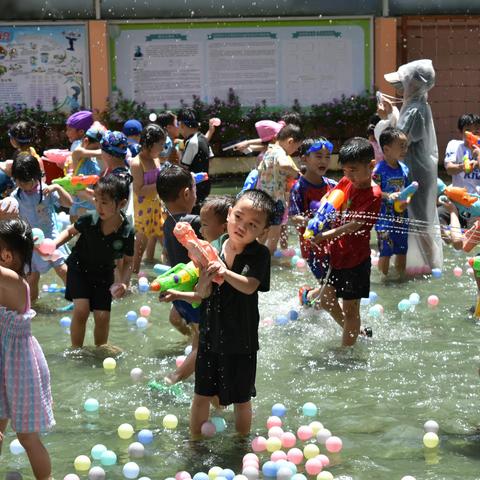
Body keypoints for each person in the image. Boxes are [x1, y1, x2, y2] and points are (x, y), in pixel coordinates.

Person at [190, 189, 274, 436]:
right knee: (201, 394)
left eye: (252, 224)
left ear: (263, 231)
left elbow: (250, 286)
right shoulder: (212, 247)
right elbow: (202, 293)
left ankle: (241, 443)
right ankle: (194, 441)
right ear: (229, 214)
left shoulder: (259, 254)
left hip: (241, 340)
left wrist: (224, 273)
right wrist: (204, 280)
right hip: (209, 336)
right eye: (238, 217)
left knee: (241, 398)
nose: (242, 226)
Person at [0, 218, 55, 480]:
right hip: (5, 363)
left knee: (26, 436)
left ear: (6, 255)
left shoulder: (14, 282)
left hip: (20, 368)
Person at [315, 137, 382, 346]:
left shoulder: (373, 194)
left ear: (371, 165)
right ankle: (355, 331)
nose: (348, 175)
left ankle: (347, 353)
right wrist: (319, 216)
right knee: (325, 300)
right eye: (345, 170)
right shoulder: (347, 181)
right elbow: (331, 197)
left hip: (356, 260)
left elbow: (355, 225)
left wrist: (325, 235)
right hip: (337, 255)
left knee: (351, 308)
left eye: (353, 170)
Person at [54, 175, 134, 348]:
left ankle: (100, 349)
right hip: (79, 268)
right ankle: (76, 350)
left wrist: (124, 283)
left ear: (121, 203)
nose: (98, 206)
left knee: (102, 317)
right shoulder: (90, 219)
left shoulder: (127, 231)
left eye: (104, 202)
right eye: (96, 200)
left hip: (104, 273)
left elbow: (128, 261)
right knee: (81, 310)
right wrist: (53, 245)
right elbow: (69, 232)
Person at [159, 195, 232, 385]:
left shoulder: (222, 258)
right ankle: (216, 402)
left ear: (224, 227)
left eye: (205, 225)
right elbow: (202, 294)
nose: (200, 230)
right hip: (208, 313)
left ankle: (173, 378)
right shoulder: (207, 253)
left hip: (219, 319)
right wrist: (177, 294)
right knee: (200, 347)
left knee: (202, 349)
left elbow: (206, 294)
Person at [384, 59, 443, 272]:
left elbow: (398, 139)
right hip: (419, 170)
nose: (399, 88)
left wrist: (389, 115)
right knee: (414, 219)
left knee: (419, 222)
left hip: (417, 172)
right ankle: (423, 263)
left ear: (415, 84)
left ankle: (433, 266)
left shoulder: (416, 108)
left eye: (403, 83)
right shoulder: (417, 106)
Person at [11, 154, 72, 301]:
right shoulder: (16, 196)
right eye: (18, 181)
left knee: (63, 270)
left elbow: (69, 203)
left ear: (36, 176)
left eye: (25, 182)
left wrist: (57, 187)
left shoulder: (46, 191)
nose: (22, 185)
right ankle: (33, 307)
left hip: (50, 240)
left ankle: (77, 299)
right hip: (30, 243)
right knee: (32, 278)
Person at [289, 138, 337, 304]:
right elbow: (294, 218)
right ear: (304, 158)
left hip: (334, 242)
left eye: (327, 156)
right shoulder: (298, 188)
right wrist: (315, 220)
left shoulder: (333, 186)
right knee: (329, 285)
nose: (324, 160)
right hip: (313, 248)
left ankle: (313, 299)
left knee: (334, 284)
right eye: (318, 156)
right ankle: (308, 296)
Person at [155, 164, 201, 337]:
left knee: (176, 319)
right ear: (187, 193)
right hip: (193, 294)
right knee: (201, 343)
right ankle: (190, 356)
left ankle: (188, 342)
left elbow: (166, 254)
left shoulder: (168, 223)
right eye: (195, 190)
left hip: (179, 294)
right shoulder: (195, 222)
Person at [257, 124, 303, 253]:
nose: (295, 151)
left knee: (262, 233)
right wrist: (298, 174)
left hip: (262, 199)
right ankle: (267, 261)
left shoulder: (269, 151)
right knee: (274, 237)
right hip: (275, 201)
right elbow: (284, 164)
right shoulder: (280, 152)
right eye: (297, 147)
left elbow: (260, 170)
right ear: (290, 141)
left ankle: (250, 257)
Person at [373, 127, 409, 279]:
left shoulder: (404, 169)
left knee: (402, 249)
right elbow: (373, 192)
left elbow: (408, 190)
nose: (404, 149)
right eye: (401, 146)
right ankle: (383, 279)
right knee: (386, 250)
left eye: (405, 146)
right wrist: (388, 195)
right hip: (384, 219)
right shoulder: (378, 170)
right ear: (386, 149)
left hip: (401, 217)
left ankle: (400, 278)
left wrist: (407, 199)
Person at [131, 124, 166, 273]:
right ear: (149, 144)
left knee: (168, 243)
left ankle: (170, 273)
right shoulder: (136, 163)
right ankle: (132, 276)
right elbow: (138, 191)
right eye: (161, 145)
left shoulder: (155, 159)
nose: (163, 148)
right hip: (143, 212)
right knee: (139, 249)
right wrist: (161, 183)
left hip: (157, 208)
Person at [178, 108, 214, 212]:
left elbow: (184, 166)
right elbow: (210, 159)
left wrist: (180, 151)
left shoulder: (192, 142)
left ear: (182, 125)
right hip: (205, 184)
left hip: (194, 187)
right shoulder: (202, 138)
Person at [68, 122, 104, 221]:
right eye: (96, 147)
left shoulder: (92, 159)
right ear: (86, 141)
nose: (97, 150)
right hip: (79, 205)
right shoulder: (78, 152)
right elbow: (102, 153)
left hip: (92, 203)